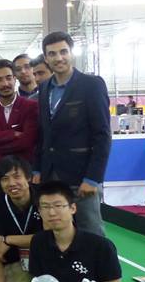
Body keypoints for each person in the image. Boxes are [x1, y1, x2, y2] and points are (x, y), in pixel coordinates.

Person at [35, 31, 111, 238]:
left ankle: (101, 262)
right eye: (52, 54)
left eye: (63, 52)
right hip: (50, 173)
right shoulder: (44, 88)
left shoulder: (92, 85)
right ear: (46, 58)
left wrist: (93, 178)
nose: (58, 58)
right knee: (54, 230)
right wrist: (37, 169)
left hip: (81, 175)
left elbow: (102, 135)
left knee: (91, 231)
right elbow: (43, 133)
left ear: (71, 53)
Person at [0, 59, 39, 193]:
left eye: (8, 78)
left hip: (23, 175)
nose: (5, 84)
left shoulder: (30, 106)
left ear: (15, 79)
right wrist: (13, 134)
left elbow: (27, 141)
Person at [0, 156, 42, 282]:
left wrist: (10, 240)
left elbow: (52, 238)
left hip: (46, 264)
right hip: (14, 266)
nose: (11, 183)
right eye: (5, 179)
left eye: (17, 177)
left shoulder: (44, 197)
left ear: (28, 177)